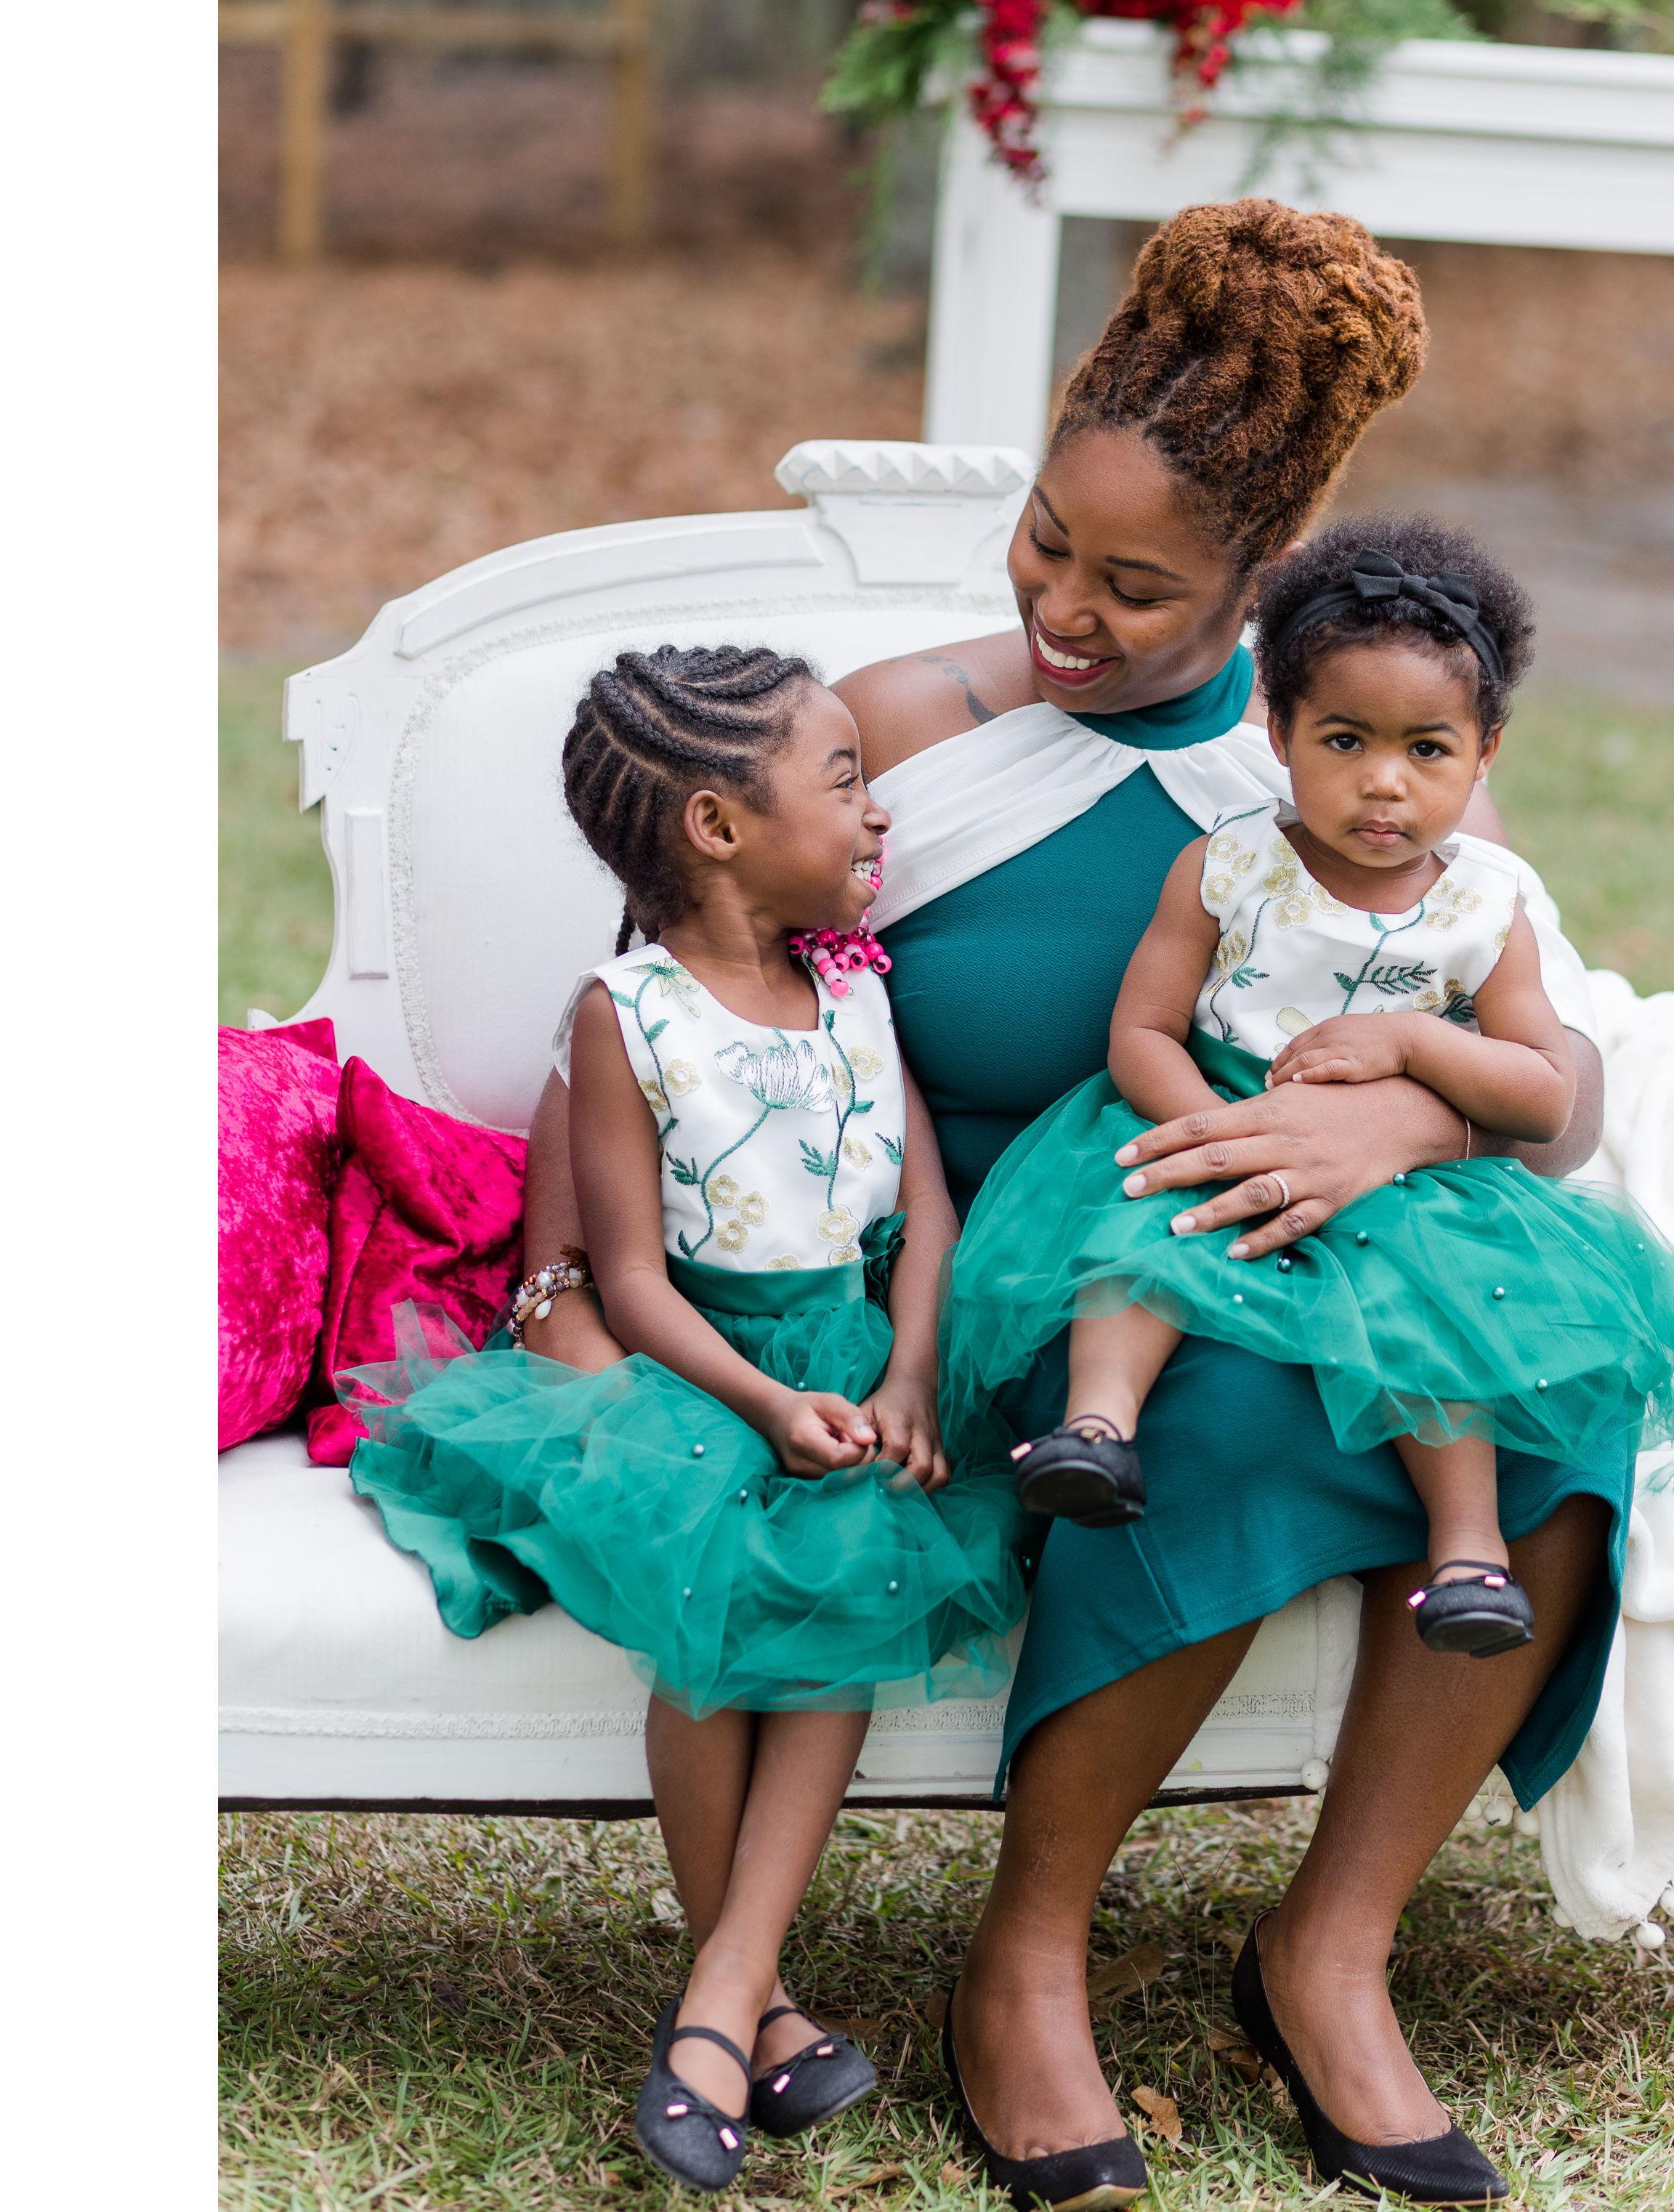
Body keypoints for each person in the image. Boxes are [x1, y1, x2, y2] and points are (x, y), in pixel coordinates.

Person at [519, 201, 1628, 2209]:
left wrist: (1402, 1126)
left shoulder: (1341, 761)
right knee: (1206, 1411)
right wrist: (561, 1278)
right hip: (1002, 1264)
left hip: (1310, 1220)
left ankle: (1331, 1950)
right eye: (1045, 542)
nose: (1063, 606)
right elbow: (654, 998)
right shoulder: (902, 733)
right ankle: (1027, 1954)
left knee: (1561, 1393)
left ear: (1260, 588)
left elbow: (1549, 1075)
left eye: (1136, 585)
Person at [338, 645, 1025, 2195]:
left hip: (856, 1354)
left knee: (848, 1571)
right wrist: (766, 1404)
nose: (878, 812)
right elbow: (631, 1277)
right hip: (700, 1369)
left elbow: (923, 1208)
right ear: (719, 827)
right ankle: (749, 2004)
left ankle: (725, 1996)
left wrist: (910, 1375)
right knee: (711, 1587)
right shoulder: (627, 1016)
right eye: (846, 780)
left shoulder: (860, 987)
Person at [938, 513, 1674, 1661]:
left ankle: (1468, 1552)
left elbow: (1542, 1095)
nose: (1384, 783)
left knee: (1442, 1316)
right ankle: (1098, 1429)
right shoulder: (1230, 864)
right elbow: (1143, 1030)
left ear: (1485, 753)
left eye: (1427, 750)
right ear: (1278, 730)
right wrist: (1217, 1132)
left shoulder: (1484, 909)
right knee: (1140, 1241)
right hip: (1216, 1110)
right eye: (1343, 741)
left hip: (1401, 1176)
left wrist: (1416, 1046)